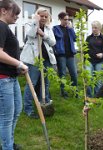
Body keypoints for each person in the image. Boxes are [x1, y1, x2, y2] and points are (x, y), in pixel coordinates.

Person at [0, 0, 28, 149]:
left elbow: (8, 53)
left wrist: (18, 67)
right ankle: (7, 147)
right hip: (3, 79)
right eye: (15, 13)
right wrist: (19, 64)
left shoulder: (5, 28)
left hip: (12, 78)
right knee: (6, 118)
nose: (17, 16)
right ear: (3, 11)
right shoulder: (1, 26)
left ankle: (8, 142)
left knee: (17, 111)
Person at [20, 7, 56, 118]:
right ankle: (28, 109)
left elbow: (53, 42)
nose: (44, 18)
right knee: (32, 84)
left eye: (46, 16)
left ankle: (42, 105)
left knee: (45, 83)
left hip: (46, 60)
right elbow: (30, 35)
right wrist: (35, 23)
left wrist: (43, 35)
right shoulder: (31, 25)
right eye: (41, 16)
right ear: (37, 15)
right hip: (34, 60)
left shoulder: (48, 28)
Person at [53, 12, 77, 98]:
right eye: (65, 19)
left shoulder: (69, 29)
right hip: (61, 55)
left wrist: (71, 28)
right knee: (62, 74)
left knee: (74, 73)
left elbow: (75, 39)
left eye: (68, 19)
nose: (67, 21)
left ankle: (75, 91)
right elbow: (53, 41)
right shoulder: (55, 29)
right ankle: (63, 92)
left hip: (70, 55)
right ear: (60, 19)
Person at [85, 20, 103, 97]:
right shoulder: (88, 38)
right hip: (89, 61)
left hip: (100, 62)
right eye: (92, 28)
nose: (93, 29)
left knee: (98, 80)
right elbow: (85, 49)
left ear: (99, 28)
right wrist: (84, 60)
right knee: (88, 78)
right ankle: (88, 97)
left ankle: (96, 97)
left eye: (95, 28)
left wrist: (102, 54)